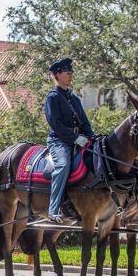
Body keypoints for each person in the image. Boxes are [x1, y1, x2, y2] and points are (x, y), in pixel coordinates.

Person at [44, 58, 94, 224]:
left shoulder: (74, 99)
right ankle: (53, 209)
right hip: (59, 141)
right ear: (58, 74)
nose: (71, 75)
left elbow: (85, 122)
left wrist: (92, 138)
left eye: (71, 72)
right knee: (63, 165)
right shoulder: (53, 98)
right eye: (68, 72)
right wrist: (75, 138)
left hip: (78, 140)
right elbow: (55, 124)